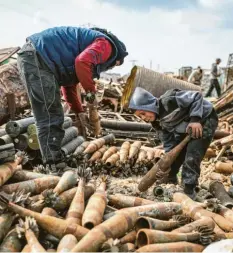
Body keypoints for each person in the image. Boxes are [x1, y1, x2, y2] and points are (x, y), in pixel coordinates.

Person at [17, 26, 128, 168]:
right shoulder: (107, 46)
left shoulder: (82, 45)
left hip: (34, 57)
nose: (109, 68)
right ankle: (52, 164)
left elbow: (68, 86)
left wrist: (79, 111)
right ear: (117, 60)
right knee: (50, 114)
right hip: (37, 58)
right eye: (113, 66)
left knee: (50, 113)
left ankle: (50, 160)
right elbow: (82, 62)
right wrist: (90, 92)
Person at [128, 87, 218, 199]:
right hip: (184, 127)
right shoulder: (157, 123)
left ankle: (189, 189)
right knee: (176, 154)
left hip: (204, 119)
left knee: (192, 155)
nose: (144, 118)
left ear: (149, 105)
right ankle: (171, 178)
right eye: (140, 117)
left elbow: (196, 96)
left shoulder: (169, 100)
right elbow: (169, 145)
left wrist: (195, 120)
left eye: (143, 113)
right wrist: (167, 168)